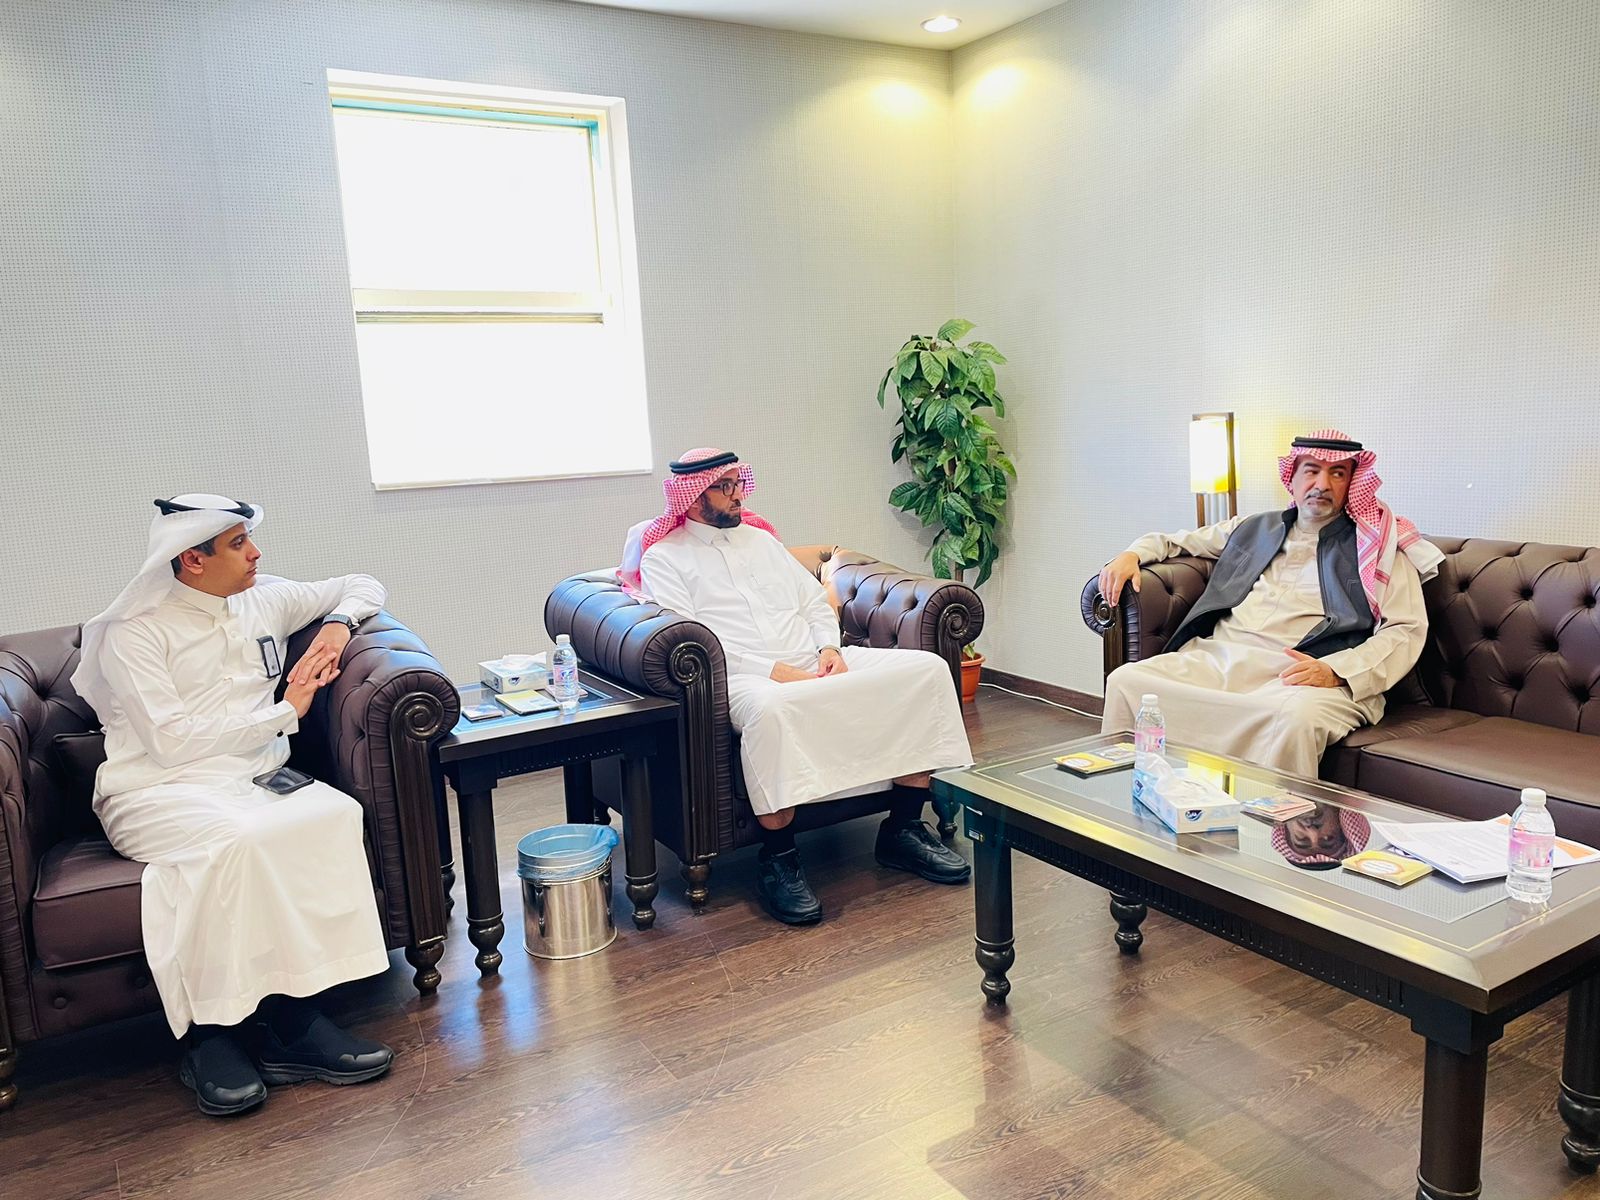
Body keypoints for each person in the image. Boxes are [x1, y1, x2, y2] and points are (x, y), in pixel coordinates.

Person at [72, 495, 396, 1117]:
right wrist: (284, 712)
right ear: (191, 559)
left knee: (332, 815)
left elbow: (362, 582)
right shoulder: (135, 632)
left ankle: (296, 1022)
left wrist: (338, 625)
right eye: (239, 544)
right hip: (156, 790)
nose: (256, 554)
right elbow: (171, 743)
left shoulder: (264, 600)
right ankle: (211, 1037)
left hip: (252, 778)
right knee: (238, 841)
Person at [629, 449, 974, 925]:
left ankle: (903, 828)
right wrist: (772, 671)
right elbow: (691, 637)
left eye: (738, 483)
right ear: (690, 496)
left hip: (815, 660)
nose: (737, 495)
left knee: (927, 671)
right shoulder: (665, 558)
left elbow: (813, 603)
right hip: (741, 678)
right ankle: (779, 858)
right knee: (771, 709)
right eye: (724, 487)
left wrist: (829, 648)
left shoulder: (762, 542)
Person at [1098, 430, 1442, 777]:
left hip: (1303, 674)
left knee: (1293, 719)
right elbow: (1176, 542)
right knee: (1128, 681)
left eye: (1337, 474)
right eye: (1311, 470)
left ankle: (1270, 812)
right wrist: (1132, 555)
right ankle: (1134, 794)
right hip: (1219, 659)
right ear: (1292, 478)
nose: (1322, 484)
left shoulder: (1377, 546)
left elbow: (1405, 629)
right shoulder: (1254, 528)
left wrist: (1338, 671)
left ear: (1352, 483)